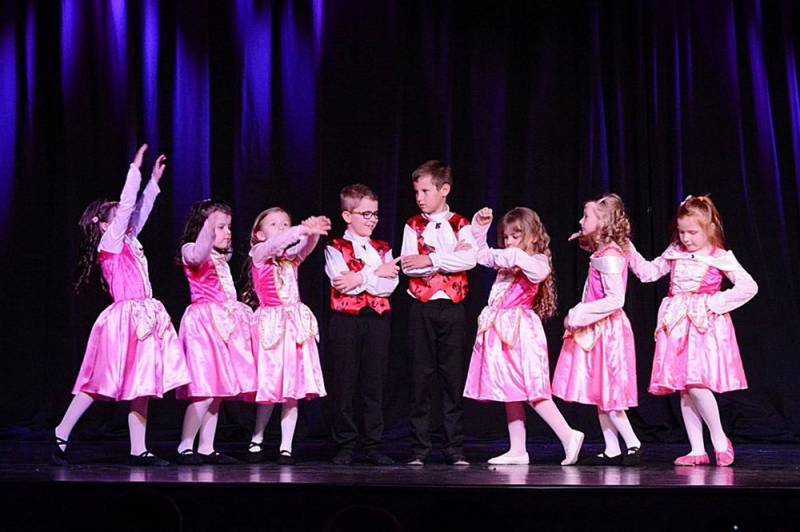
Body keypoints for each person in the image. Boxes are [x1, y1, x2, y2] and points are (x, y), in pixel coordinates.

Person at [51, 144, 190, 466]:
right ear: (103, 225)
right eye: (116, 216)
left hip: (145, 316)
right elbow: (128, 205)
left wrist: (153, 183)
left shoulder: (130, 240)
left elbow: (140, 211)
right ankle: (60, 432)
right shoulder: (109, 242)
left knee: (143, 383)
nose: (125, 218)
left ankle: (138, 449)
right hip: (124, 319)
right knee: (99, 380)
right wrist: (135, 171)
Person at [627, 195, 757, 466]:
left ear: (709, 228)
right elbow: (648, 273)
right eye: (682, 232)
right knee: (685, 388)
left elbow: (748, 286)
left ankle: (719, 438)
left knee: (696, 383)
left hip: (701, 326)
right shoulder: (675, 252)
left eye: (692, 232)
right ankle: (697, 449)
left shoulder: (719, 257)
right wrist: (626, 247)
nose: (686, 238)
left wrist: (714, 302)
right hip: (676, 324)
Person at [464, 206, 584, 465]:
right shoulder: (508, 260)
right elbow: (481, 255)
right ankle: (518, 449)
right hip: (502, 329)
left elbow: (538, 272)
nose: (509, 242)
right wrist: (480, 227)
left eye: (515, 236)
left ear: (532, 235)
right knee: (511, 389)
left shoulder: (536, 260)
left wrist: (513, 254)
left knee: (532, 388)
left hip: (521, 331)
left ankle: (568, 434)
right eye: (506, 237)